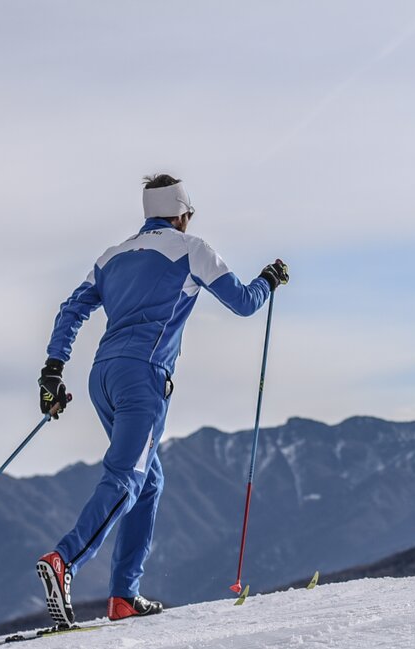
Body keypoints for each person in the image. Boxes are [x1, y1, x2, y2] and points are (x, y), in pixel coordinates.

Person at [33, 173, 287, 626]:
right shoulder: (193, 249)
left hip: (102, 376)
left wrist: (53, 371)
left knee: (149, 480)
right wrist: (269, 280)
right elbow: (245, 303)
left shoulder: (112, 256)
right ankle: (64, 561)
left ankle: (123, 596)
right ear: (182, 213)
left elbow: (72, 309)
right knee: (127, 478)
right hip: (143, 377)